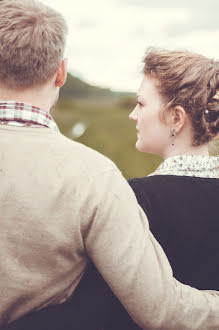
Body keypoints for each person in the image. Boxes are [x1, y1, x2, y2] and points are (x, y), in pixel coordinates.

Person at [1, 0, 219, 329]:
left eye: (141, 103)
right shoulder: (96, 178)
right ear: (61, 72)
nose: (133, 114)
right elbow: (161, 309)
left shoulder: (138, 196)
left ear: (177, 118)